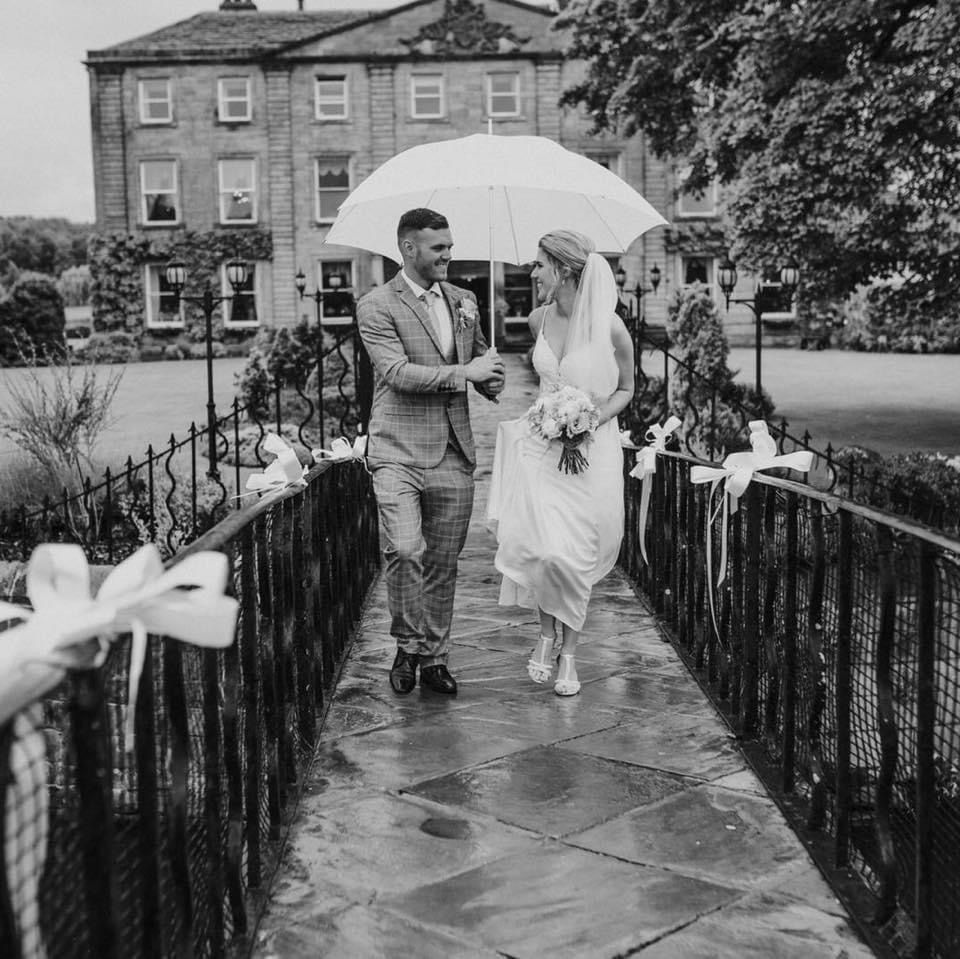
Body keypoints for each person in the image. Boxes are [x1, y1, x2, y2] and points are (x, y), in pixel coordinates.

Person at [357, 208, 506, 696]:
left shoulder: (465, 300)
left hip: (453, 451)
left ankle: (435, 656)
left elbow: (482, 364)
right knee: (404, 550)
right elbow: (398, 373)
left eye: (449, 244)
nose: (448, 254)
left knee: (443, 561)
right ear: (408, 248)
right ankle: (407, 645)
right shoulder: (377, 305)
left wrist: (493, 379)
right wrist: (468, 374)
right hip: (396, 450)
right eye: (438, 247)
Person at [486, 230, 635, 696]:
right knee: (543, 547)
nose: (532, 274)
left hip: (592, 452)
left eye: (539, 265)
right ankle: (545, 632)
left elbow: (627, 389)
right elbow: (542, 385)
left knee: (575, 553)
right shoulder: (536, 319)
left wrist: (589, 421)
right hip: (541, 448)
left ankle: (567, 651)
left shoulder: (610, 327)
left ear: (565, 270)